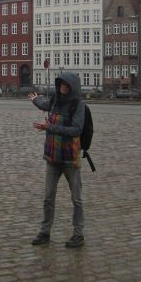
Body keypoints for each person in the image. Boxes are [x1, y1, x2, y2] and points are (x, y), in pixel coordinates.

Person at [28, 72, 86, 248]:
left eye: (66, 85)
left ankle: (78, 234)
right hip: (53, 157)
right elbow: (44, 104)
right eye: (61, 84)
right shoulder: (54, 101)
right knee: (48, 198)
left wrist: (50, 127)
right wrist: (35, 99)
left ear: (72, 88)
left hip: (70, 158)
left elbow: (76, 130)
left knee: (76, 199)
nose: (63, 88)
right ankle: (45, 231)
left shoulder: (78, 105)